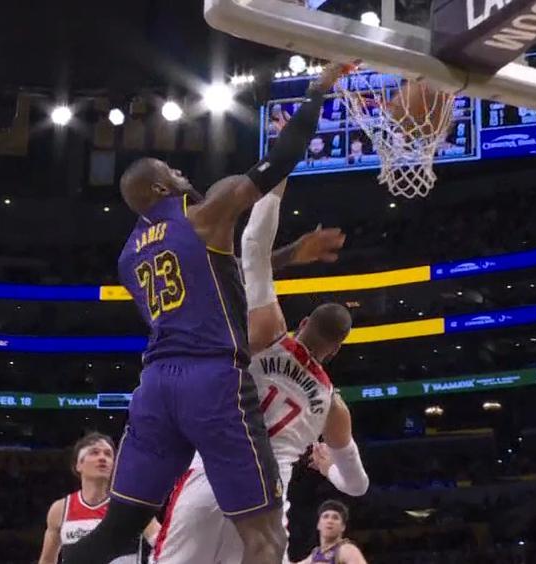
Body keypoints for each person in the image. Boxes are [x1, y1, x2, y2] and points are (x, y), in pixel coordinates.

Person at [62, 61, 355, 564]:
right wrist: (316, 92)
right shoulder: (203, 214)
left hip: (155, 387)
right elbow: (277, 163)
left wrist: (288, 256)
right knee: (268, 539)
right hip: (212, 381)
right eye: (174, 173)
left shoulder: (129, 256)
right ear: (160, 188)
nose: (183, 175)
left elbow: (218, 281)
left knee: (113, 532)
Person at [153, 148, 368, 563]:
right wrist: (327, 470)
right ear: (337, 350)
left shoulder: (267, 333)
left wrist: (279, 176)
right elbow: (357, 485)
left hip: (212, 474)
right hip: (267, 498)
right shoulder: (333, 406)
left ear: (302, 323)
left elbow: (251, 247)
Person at [37, 433, 160, 564]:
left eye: (108, 454)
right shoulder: (60, 509)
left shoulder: (131, 505)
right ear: (78, 465)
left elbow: (163, 543)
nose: (102, 458)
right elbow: (47, 560)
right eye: (94, 453)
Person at [293, 500, 367, 564]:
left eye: (335, 518)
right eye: (325, 516)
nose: (330, 521)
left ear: (343, 527)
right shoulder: (315, 554)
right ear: (318, 524)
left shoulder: (347, 549)